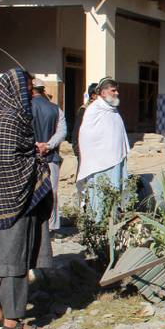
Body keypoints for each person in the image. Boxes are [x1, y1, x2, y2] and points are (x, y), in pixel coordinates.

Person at [0, 68, 53, 329]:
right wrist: (37, 159)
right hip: (15, 201)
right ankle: (13, 322)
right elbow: (13, 162)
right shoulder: (14, 119)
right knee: (14, 262)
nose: (30, 95)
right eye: (27, 90)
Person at [76, 78, 129, 221]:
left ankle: (113, 221)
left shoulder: (113, 111)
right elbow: (86, 137)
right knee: (99, 194)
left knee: (115, 192)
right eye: (113, 90)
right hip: (99, 165)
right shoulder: (94, 110)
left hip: (115, 161)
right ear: (103, 92)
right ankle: (98, 223)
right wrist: (99, 155)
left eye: (117, 90)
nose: (117, 93)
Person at [30, 81, 67, 233]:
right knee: (52, 192)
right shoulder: (56, 109)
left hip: (30, 157)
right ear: (42, 90)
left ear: (31, 90)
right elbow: (62, 132)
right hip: (51, 157)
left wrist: (36, 145)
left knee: (32, 191)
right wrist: (48, 145)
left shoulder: (25, 108)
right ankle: (53, 226)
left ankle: (34, 225)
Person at [72, 83, 99, 158]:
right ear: (93, 95)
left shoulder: (102, 109)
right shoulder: (84, 110)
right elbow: (77, 130)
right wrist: (77, 149)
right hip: (86, 150)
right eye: (99, 94)